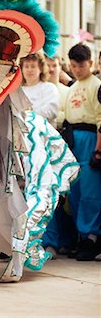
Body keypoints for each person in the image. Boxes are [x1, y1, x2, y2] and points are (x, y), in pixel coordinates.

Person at [63, 43, 101, 261]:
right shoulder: (73, 86)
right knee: (75, 190)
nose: (77, 69)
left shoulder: (96, 86)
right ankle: (80, 236)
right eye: (74, 66)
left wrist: (98, 150)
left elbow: (100, 120)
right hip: (73, 139)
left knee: (90, 191)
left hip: (90, 139)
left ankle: (91, 237)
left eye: (81, 65)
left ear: (90, 63)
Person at [20, 52, 60, 127]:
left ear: (41, 68)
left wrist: (28, 116)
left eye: (33, 66)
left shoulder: (49, 88)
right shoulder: (18, 91)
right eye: (26, 66)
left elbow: (51, 111)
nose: (29, 70)